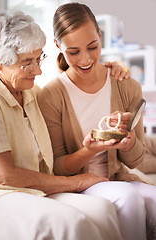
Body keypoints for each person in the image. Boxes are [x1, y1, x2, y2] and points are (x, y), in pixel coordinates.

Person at [0, 9, 130, 240]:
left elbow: (70, 80)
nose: (38, 70)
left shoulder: (31, 93)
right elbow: (1, 175)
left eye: (39, 58)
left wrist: (106, 68)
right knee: (71, 222)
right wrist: (74, 182)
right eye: (28, 63)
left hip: (35, 189)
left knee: (103, 210)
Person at [38, 2, 156, 240]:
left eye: (92, 47)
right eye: (73, 52)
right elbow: (57, 167)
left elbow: (135, 161)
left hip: (117, 178)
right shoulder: (51, 95)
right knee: (128, 198)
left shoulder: (127, 85)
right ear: (57, 46)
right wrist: (88, 150)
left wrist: (129, 142)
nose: (85, 59)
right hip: (79, 184)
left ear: (100, 35)